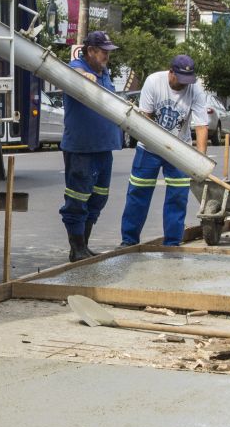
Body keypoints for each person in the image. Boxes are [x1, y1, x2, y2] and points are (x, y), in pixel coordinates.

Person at [120, 54, 210, 247]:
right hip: (149, 148)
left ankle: (172, 243)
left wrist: (200, 160)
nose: (185, 84)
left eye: (188, 80)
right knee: (138, 192)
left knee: (177, 196)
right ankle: (129, 240)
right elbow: (145, 118)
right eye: (181, 79)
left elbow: (201, 126)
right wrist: (161, 143)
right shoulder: (154, 82)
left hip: (179, 149)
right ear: (171, 73)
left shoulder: (195, 89)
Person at [59, 30, 123, 260]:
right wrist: (81, 76)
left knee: (98, 198)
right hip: (82, 148)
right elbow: (70, 72)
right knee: (78, 199)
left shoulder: (104, 73)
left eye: (108, 52)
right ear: (90, 51)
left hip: (104, 147)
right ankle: (76, 249)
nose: (107, 56)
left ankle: (83, 246)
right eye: (103, 52)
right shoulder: (77, 69)